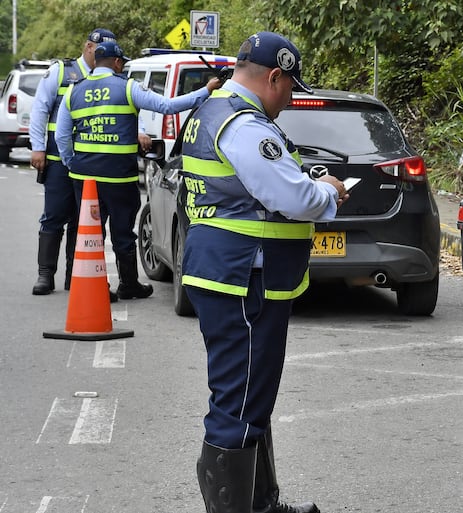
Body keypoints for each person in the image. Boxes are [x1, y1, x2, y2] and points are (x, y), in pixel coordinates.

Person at [180, 32, 348, 513]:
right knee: (238, 404)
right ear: (273, 77)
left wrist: (310, 183)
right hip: (243, 278)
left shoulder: (213, 111)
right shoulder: (244, 125)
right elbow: (290, 198)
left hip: (231, 274)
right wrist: (329, 192)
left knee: (252, 399)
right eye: (290, 87)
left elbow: (256, 188)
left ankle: (261, 505)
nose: (291, 97)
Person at [55, 41, 222, 300]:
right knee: (122, 232)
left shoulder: (73, 92)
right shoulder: (128, 88)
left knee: (90, 233)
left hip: (84, 178)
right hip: (119, 177)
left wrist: (71, 162)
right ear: (117, 62)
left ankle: (94, 287)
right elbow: (168, 106)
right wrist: (206, 90)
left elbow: (62, 137)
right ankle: (129, 284)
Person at [29, 28, 116, 296]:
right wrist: (38, 148)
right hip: (57, 161)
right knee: (54, 216)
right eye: (98, 48)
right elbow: (40, 109)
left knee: (83, 222)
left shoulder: (110, 78)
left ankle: (73, 276)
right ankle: (45, 275)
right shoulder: (61, 72)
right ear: (88, 47)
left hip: (90, 164)